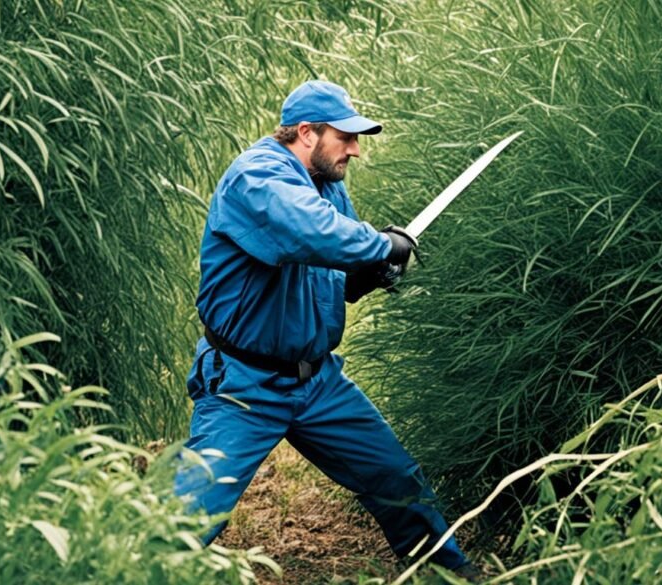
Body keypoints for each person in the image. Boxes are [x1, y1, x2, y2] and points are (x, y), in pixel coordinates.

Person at [175, 80, 479, 579]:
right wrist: (384, 246)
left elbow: (331, 263)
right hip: (244, 385)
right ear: (306, 133)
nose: (356, 150)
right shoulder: (256, 177)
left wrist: (367, 275)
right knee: (190, 514)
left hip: (318, 382)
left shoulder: (329, 183)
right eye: (347, 137)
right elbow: (311, 231)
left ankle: (451, 575)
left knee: (394, 477)